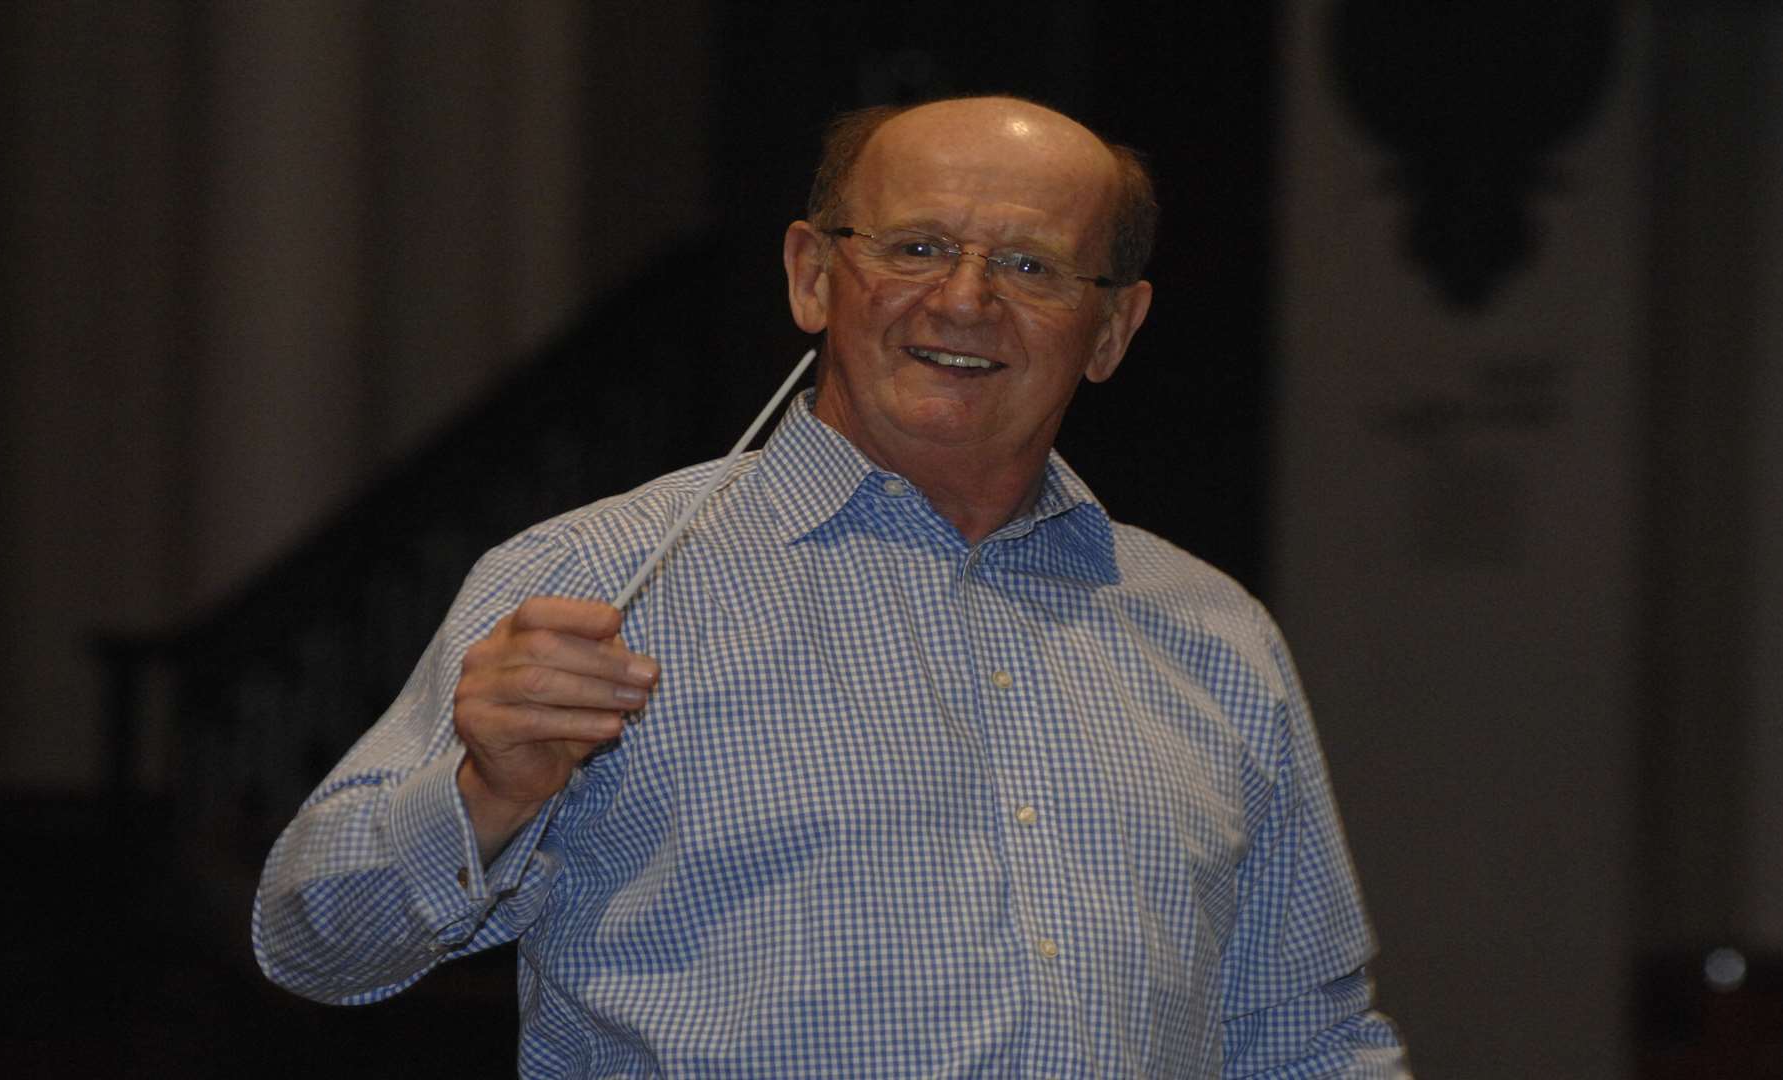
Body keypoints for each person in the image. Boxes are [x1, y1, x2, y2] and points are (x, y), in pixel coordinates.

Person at [254, 95, 1409, 1077]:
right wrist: (482, 793)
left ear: (1111, 328)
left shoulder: (1209, 631)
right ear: (813, 275)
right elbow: (317, 946)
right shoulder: (594, 581)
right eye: (912, 247)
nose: (963, 300)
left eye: (1030, 265)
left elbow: (1305, 1038)